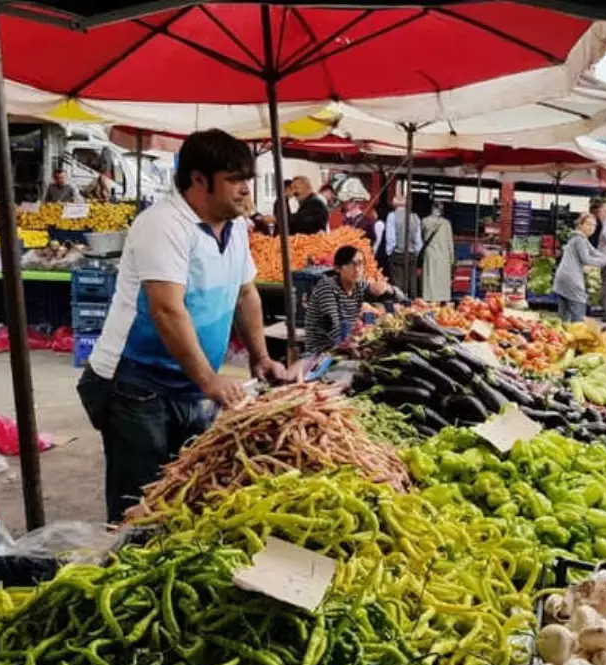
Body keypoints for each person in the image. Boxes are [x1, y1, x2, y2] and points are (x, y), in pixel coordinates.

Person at [75, 129, 289, 524]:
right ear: (198, 180)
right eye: (234, 180)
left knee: (184, 495)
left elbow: (246, 294)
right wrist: (210, 381)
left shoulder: (237, 227)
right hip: (135, 385)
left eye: (247, 180)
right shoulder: (163, 224)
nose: (246, 190)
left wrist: (260, 358)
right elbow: (166, 310)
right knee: (138, 507)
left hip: (187, 388)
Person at [304, 245, 401, 356]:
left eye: (360, 263)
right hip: (321, 353)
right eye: (350, 264)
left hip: (345, 346)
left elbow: (397, 297)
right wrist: (359, 342)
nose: (357, 269)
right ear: (337, 268)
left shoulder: (358, 284)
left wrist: (389, 289)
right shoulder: (327, 289)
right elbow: (334, 330)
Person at [555, 213, 606, 322]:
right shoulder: (580, 240)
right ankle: (576, 337)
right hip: (571, 279)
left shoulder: (578, 238)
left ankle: (565, 335)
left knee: (564, 319)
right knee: (578, 318)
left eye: (594, 225)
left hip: (562, 279)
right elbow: (586, 259)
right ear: (580, 225)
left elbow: (594, 252)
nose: (591, 228)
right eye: (588, 224)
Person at [386, 194, 423, 297]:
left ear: (394, 205)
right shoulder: (415, 218)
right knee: (412, 283)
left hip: (397, 254)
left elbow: (391, 238)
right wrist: (415, 252)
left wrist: (389, 252)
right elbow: (418, 241)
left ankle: (400, 306)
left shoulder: (392, 216)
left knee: (398, 285)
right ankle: (413, 305)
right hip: (411, 254)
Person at [421, 201, 453, 303]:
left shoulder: (424, 221)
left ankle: (429, 299)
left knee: (430, 279)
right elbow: (450, 242)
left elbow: (421, 238)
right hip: (444, 255)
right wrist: (451, 258)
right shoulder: (446, 224)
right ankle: (442, 299)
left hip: (430, 254)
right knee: (442, 280)